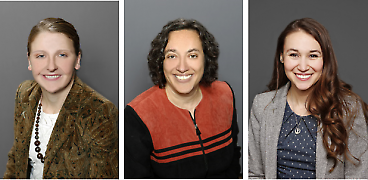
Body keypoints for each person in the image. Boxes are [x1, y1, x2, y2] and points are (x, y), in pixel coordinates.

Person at [249, 18, 368, 179]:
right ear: (281, 57)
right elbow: (254, 173)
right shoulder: (262, 105)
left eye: (313, 55)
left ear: (324, 59)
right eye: (294, 55)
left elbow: (359, 175)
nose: (303, 66)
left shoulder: (349, 108)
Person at [124, 18, 241, 178]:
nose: (182, 67)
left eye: (192, 55)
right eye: (172, 56)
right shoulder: (138, 115)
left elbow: (233, 158)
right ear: (161, 62)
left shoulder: (225, 94)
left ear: (205, 60)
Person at [3, 17, 119, 179]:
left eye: (62, 55)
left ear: (77, 60)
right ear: (29, 60)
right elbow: (16, 160)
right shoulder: (24, 94)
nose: (51, 66)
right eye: (41, 56)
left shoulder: (100, 112)